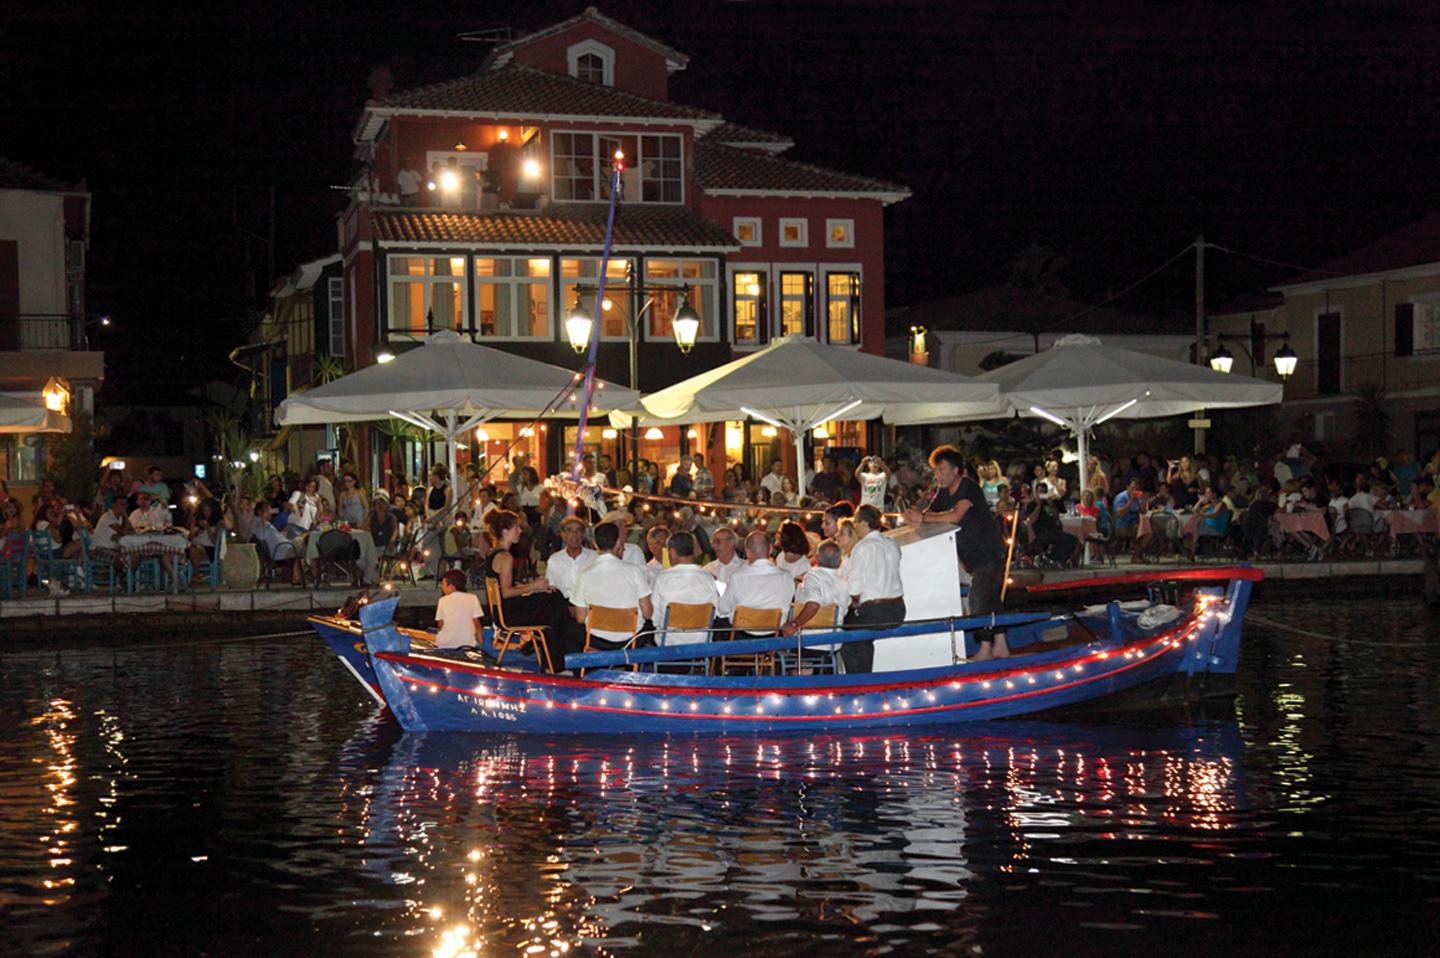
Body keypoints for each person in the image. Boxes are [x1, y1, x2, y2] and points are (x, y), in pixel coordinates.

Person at [905, 445, 1010, 661]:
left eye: (942, 470)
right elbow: (931, 513)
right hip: (974, 557)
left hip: (990, 552)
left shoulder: (969, 488)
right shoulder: (944, 492)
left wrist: (923, 519)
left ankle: (985, 648)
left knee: (978, 598)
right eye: (936, 471)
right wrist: (915, 516)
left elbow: (955, 516)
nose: (938, 475)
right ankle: (1001, 645)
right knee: (991, 599)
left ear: (956, 471)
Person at [485, 509, 584, 667]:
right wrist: (534, 586)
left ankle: (552, 661)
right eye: (516, 528)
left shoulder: (494, 553)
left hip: (504, 610)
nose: (520, 531)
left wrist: (533, 589)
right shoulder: (505, 558)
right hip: (510, 613)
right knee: (556, 606)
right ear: (505, 532)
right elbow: (506, 592)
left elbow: (508, 585)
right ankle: (559, 661)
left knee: (554, 604)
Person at [570, 521, 654, 650]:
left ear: (595, 544)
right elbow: (647, 613)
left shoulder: (584, 574)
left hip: (597, 638)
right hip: (630, 639)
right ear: (618, 542)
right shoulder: (635, 571)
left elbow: (581, 618)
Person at [841, 505, 905, 672]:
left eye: (855, 522)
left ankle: (859, 681)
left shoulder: (862, 548)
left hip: (875, 612)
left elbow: (854, 589)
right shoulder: (892, 543)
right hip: (897, 609)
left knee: (848, 636)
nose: (854, 526)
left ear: (863, 523)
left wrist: (854, 601)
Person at [650, 531, 721, 645]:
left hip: (669, 642)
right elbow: (716, 612)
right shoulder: (708, 577)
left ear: (672, 552)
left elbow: (654, 616)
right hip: (701, 641)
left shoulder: (663, 578)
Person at [718, 531, 794, 635]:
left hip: (743, 636)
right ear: (771, 549)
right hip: (774, 636)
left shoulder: (737, 577)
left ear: (748, 552)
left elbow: (723, 608)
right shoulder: (787, 576)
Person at [782, 538, 851, 637]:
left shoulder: (813, 577)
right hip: (834, 641)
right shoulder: (845, 582)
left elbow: (813, 604)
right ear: (839, 562)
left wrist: (794, 624)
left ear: (817, 558)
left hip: (808, 640)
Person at [545, 515, 597, 600]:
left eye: (578, 530)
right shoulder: (554, 560)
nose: (574, 534)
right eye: (570, 531)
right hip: (562, 607)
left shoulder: (594, 558)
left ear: (583, 535)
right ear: (563, 535)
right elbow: (550, 589)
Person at [434, 569, 485, 649]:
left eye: (443, 584)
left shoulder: (442, 600)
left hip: (445, 644)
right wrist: (482, 645)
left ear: (451, 586)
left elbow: (440, 624)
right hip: (467, 643)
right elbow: (477, 624)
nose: (442, 587)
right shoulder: (473, 598)